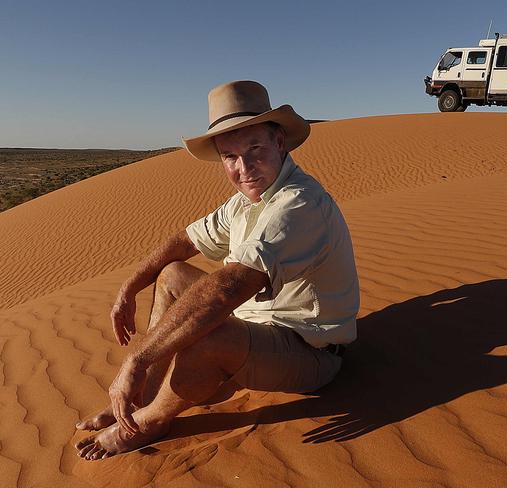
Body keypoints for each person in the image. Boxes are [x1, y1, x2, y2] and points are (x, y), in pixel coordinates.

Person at [75, 80, 359, 460]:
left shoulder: (297, 204)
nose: (244, 168)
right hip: (257, 331)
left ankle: (151, 420)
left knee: (211, 332)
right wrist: (130, 287)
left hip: (309, 353)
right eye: (230, 156)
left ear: (279, 142)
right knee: (174, 274)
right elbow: (185, 242)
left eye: (254, 148)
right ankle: (140, 398)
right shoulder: (247, 200)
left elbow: (229, 288)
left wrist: (136, 359)